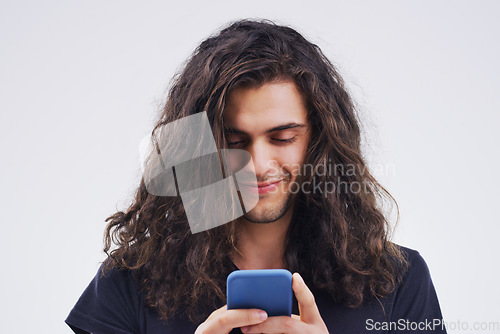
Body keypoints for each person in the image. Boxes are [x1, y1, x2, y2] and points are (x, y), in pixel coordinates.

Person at [66, 19, 446, 334]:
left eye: (282, 138)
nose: (258, 164)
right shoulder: (131, 283)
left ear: (319, 139)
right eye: (233, 140)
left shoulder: (398, 282)